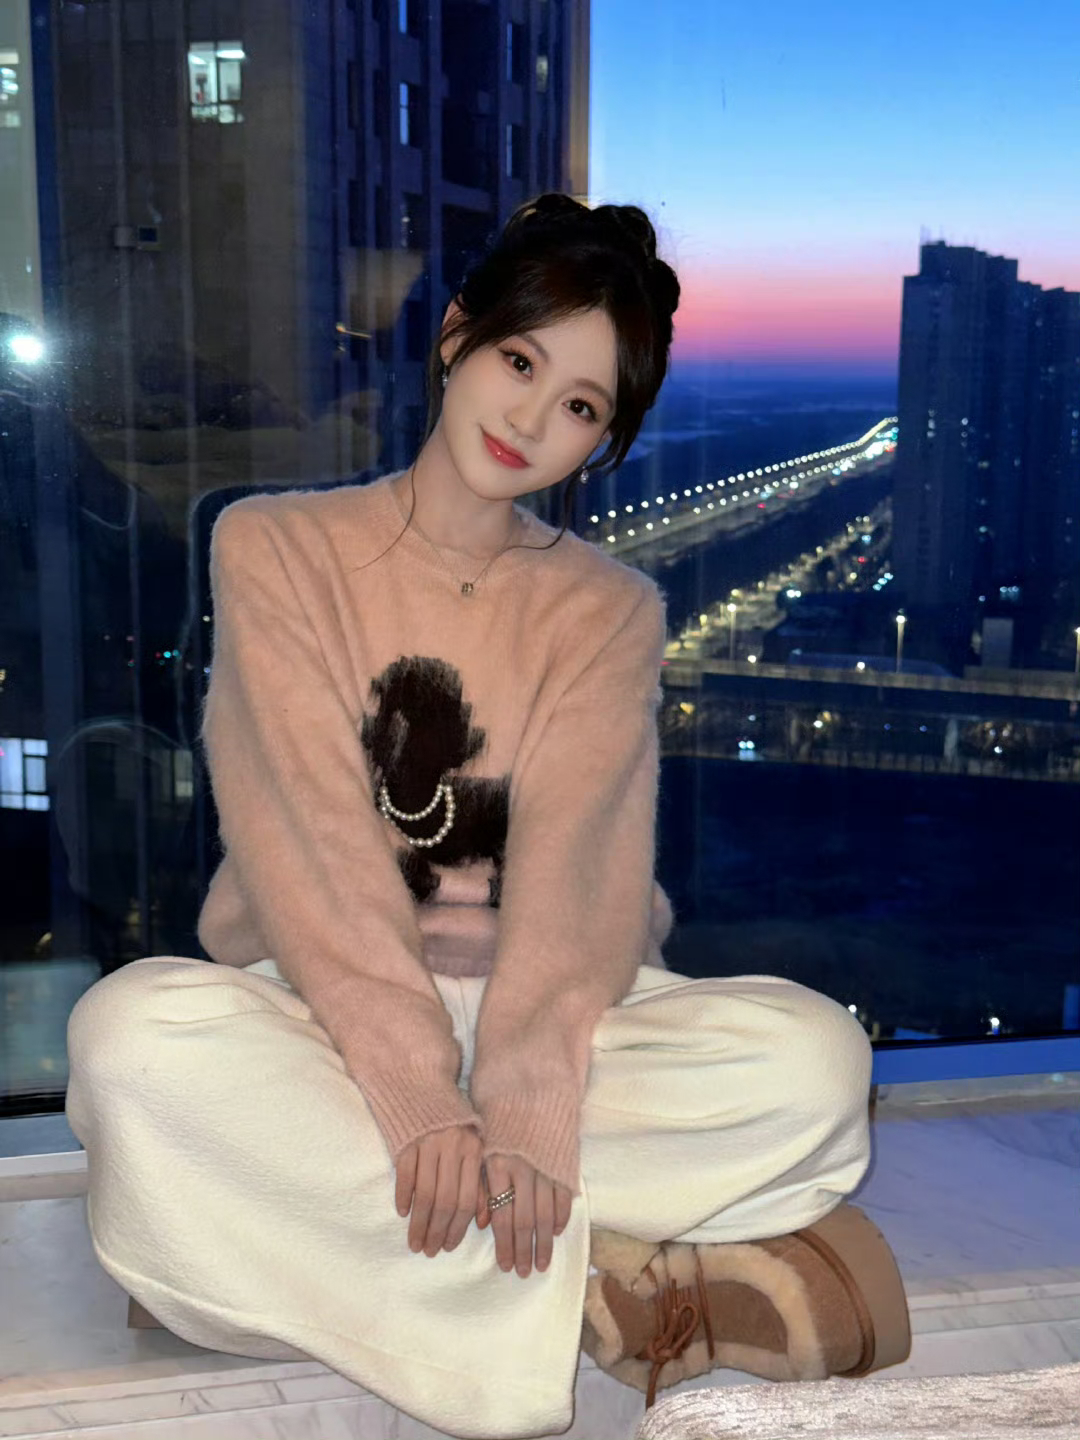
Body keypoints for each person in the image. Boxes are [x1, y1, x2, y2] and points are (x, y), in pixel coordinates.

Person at [65, 194, 909, 1439]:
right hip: (325, 1007)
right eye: (521, 362)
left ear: (603, 438)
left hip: (563, 1018)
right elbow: (308, 844)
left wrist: (524, 1104)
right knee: (128, 1041)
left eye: (580, 406)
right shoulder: (275, 548)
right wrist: (417, 1094)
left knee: (819, 1067)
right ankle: (604, 1291)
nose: (531, 420)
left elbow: (580, 881)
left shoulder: (607, 610)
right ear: (457, 335)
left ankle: (280, 1243)